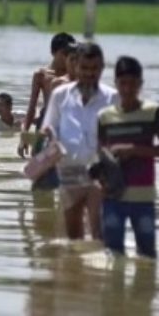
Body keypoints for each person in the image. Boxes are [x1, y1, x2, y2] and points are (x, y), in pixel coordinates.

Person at [41, 42, 118, 240]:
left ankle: (101, 266)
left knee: (97, 231)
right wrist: (49, 140)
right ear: (76, 66)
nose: (89, 73)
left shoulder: (112, 98)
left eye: (94, 69)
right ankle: (75, 269)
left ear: (102, 68)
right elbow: (49, 128)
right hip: (69, 172)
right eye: (84, 68)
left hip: (100, 174)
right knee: (73, 235)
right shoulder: (61, 95)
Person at [98, 56, 157, 258]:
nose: (127, 89)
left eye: (133, 84)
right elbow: (97, 157)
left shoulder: (152, 113)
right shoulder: (105, 117)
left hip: (144, 197)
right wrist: (101, 180)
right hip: (112, 197)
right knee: (113, 256)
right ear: (116, 84)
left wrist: (134, 150)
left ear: (140, 84)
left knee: (147, 256)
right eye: (123, 83)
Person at [19, 32, 77, 157]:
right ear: (53, 52)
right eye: (64, 54)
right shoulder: (41, 75)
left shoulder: (74, 76)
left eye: (70, 55)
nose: (67, 59)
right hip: (45, 121)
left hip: (67, 121)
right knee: (39, 159)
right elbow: (31, 108)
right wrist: (24, 136)